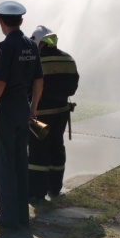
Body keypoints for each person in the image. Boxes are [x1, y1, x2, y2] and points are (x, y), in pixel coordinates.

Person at [0, 1, 43, 229]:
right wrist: (33, 108)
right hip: (23, 109)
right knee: (20, 162)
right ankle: (21, 215)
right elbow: (38, 80)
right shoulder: (31, 46)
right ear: (21, 21)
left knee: (4, 164)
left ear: (1, 22)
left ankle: (7, 216)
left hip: (7, 111)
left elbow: (0, 83)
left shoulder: (4, 48)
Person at [27, 26, 79, 204]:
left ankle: (36, 192)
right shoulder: (68, 59)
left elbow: (29, 88)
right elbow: (72, 87)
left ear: (40, 43)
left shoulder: (36, 61)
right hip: (61, 113)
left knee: (37, 152)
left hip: (39, 115)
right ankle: (55, 187)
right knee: (57, 147)